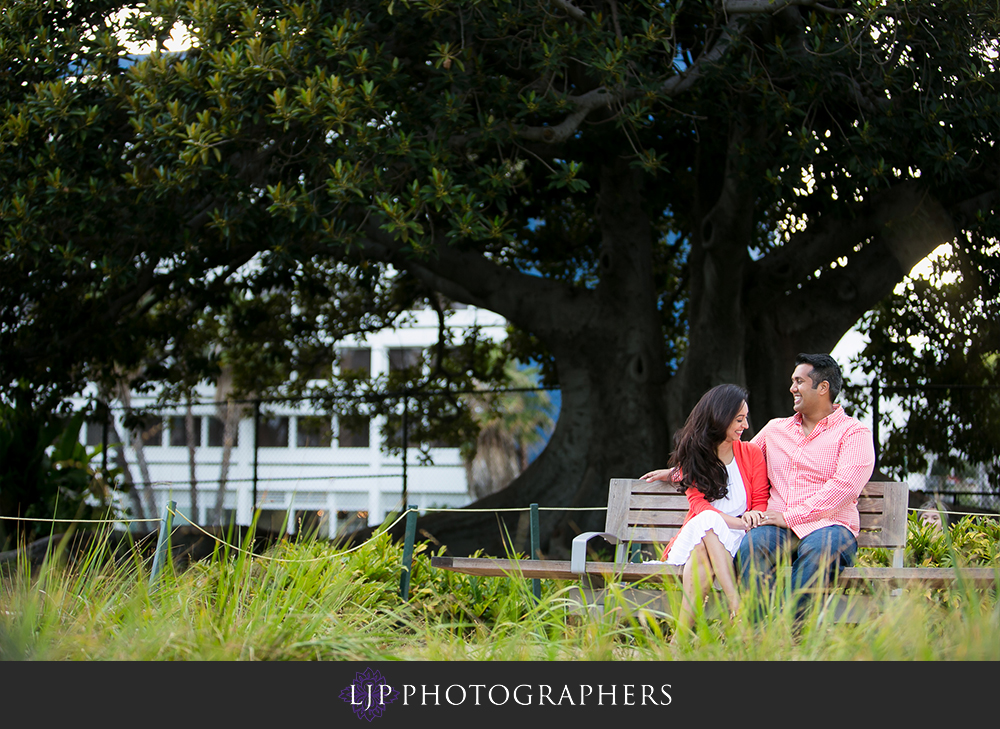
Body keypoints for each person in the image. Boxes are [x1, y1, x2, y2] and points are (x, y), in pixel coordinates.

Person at [737, 353, 876, 621]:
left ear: (823, 388)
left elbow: (843, 488)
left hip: (830, 527)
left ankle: (793, 633)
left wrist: (790, 517)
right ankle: (757, 635)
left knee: (820, 548)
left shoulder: (853, 433)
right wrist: (680, 471)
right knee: (752, 547)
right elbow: (738, 461)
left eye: (799, 381)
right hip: (777, 530)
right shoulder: (775, 429)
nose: (792, 388)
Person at [640, 384, 769, 638]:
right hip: (697, 535)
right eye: (739, 419)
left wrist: (754, 515)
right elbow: (699, 508)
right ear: (720, 418)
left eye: (746, 418)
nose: (745, 426)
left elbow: (761, 499)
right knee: (708, 519)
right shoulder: (695, 458)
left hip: (732, 542)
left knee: (703, 551)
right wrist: (741, 522)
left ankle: (679, 640)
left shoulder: (752, 453)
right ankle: (737, 607)